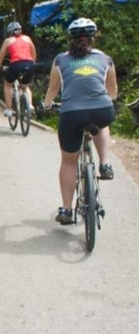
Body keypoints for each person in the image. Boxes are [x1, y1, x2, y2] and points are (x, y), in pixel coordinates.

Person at [42, 18, 118, 225]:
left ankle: (67, 210)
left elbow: (53, 90)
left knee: (68, 161)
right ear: (93, 39)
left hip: (71, 114)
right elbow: (112, 92)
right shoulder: (105, 59)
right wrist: (103, 100)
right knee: (102, 123)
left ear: (70, 39)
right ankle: (105, 163)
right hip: (102, 109)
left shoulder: (60, 60)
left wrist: (47, 105)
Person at [0, 21, 37, 118]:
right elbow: (33, 53)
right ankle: (30, 106)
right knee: (25, 86)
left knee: (8, 84)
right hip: (29, 63)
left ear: (9, 32)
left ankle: (9, 110)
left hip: (15, 64)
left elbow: (0, 57)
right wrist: (32, 64)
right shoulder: (27, 38)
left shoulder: (8, 41)